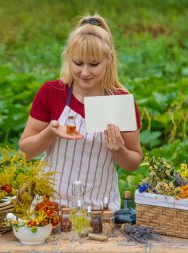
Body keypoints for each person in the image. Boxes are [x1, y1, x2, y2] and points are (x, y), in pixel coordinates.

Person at [19, 14, 142, 211]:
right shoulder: (52, 92)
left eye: (94, 64)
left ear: (108, 59)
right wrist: (49, 133)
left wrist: (118, 149)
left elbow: (133, 163)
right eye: (78, 63)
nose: (85, 72)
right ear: (68, 57)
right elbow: (26, 150)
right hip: (49, 208)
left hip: (101, 212)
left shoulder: (119, 101)